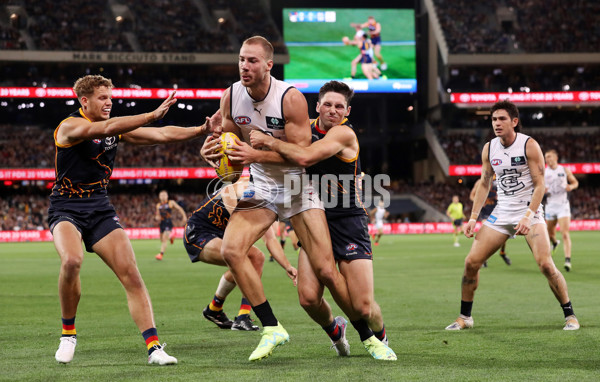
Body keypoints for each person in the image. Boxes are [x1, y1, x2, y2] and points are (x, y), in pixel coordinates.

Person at [203, 36, 393, 361]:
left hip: (317, 201)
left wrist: (260, 148)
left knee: (337, 282)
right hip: (265, 186)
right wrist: (213, 152)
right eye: (241, 60)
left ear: (268, 64)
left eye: (252, 60)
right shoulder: (231, 96)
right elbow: (230, 151)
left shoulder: (304, 109)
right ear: (318, 106)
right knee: (236, 252)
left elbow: (302, 158)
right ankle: (272, 326)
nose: (245, 66)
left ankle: (371, 337)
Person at [49, 74, 220, 365]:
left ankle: (154, 348)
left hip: (100, 208)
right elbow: (107, 127)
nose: (109, 102)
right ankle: (68, 334)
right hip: (67, 208)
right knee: (72, 261)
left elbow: (162, 136)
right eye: (103, 98)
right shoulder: (69, 126)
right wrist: (152, 114)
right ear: (84, 101)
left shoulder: (113, 130)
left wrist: (201, 129)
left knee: (132, 275)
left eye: (110, 97)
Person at [250, 80, 396, 360]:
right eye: (327, 104)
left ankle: (380, 335)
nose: (333, 109)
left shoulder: (343, 134)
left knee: (363, 306)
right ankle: (335, 330)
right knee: (307, 298)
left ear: (347, 111)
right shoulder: (303, 129)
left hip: (348, 220)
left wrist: (268, 141)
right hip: (314, 217)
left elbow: (304, 157)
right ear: (316, 107)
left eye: (339, 106)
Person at [445, 100, 579, 332]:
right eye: (494, 119)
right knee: (471, 262)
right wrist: (473, 218)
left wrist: (528, 216)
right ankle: (465, 317)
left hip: (530, 212)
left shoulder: (529, 145)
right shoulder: (489, 148)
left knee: (546, 264)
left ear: (514, 122)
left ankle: (570, 315)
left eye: (502, 119)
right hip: (502, 212)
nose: (496, 123)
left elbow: (539, 186)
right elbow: (484, 184)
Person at [183, 177, 297, 331]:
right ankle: (242, 317)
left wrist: (288, 267)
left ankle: (214, 309)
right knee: (247, 257)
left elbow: (270, 240)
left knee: (255, 258)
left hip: (219, 233)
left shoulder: (266, 201)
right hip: (199, 233)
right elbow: (236, 218)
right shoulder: (246, 188)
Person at [544, 149, 578, 272]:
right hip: (550, 205)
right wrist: (543, 190)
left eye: (549, 156)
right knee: (550, 234)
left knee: (565, 233)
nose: (547, 159)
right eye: (546, 157)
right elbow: (539, 187)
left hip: (563, 205)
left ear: (556, 158)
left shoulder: (564, 170)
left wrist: (571, 186)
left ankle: (567, 260)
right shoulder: (543, 172)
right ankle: (555, 243)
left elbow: (575, 182)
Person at [470, 178, 511, 266]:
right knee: (485, 233)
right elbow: (472, 196)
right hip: (486, 212)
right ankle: (483, 257)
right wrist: (480, 202)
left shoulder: (502, 178)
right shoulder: (481, 181)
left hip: (498, 211)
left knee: (503, 235)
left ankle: (502, 253)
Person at [155, 190, 186, 261]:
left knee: (164, 239)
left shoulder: (171, 202)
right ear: (159, 196)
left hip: (168, 222)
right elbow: (157, 215)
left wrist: (184, 216)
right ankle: (171, 238)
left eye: (164, 195)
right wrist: (157, 217)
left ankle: (161, 254)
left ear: (167, 196)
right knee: (161, 239)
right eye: (161, 195)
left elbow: (179, 208)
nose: (162, 196)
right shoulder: (158, 205)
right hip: (162, 223)